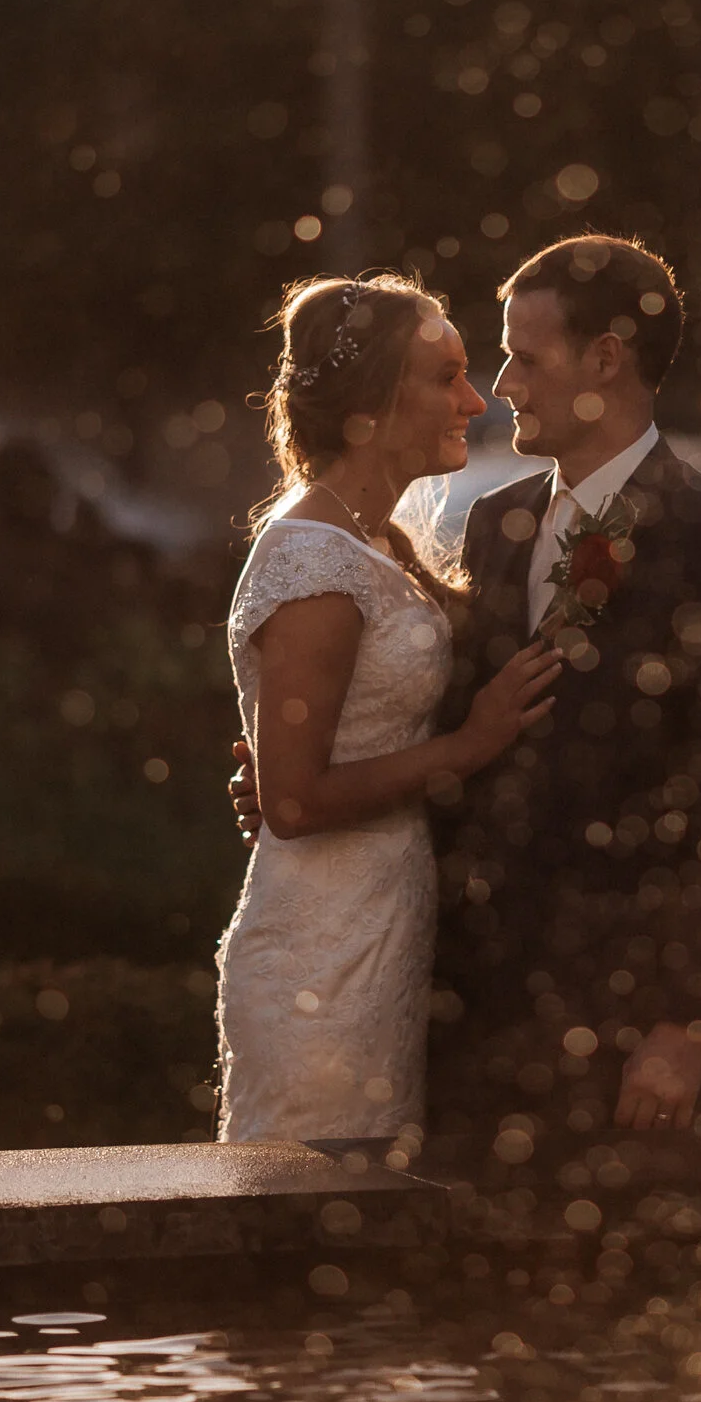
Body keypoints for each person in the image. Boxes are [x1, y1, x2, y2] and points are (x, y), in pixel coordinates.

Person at [235, 237, 701, 1142]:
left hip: (619, 1018)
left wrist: (683, 1023)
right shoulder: (498, 523)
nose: (502, 385)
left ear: (606, 359)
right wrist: (287, 778)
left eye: (523, 358)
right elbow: (445, 720)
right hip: (461, 1004)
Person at [214, 273, 562, 1143]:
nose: (474, 400)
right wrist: (470, 744)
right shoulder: (312, 560)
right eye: (444, 377)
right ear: (371, 402)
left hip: (380, 927)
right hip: (319, 961)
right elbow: (294, 803)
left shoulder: (370, 543)